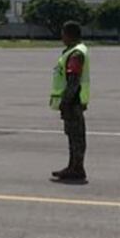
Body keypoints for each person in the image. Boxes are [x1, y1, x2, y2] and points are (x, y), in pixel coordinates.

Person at [50, 21, 90, 183]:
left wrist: (65, 102)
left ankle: (76, 168)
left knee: (76, 137)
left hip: (72, 101)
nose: (62, 37)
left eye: (63, 33)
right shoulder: (75, 51)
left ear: (69, 34)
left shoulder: (75, 54)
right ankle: (74, 166)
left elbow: (73, 80)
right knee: (74, 136)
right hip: (75, 100)